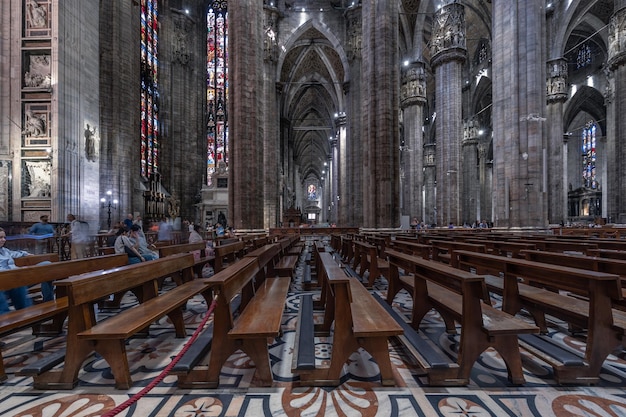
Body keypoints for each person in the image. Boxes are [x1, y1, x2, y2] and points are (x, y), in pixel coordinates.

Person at [0, 227, 53, 314]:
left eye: (4, 237)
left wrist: (25, 253)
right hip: (7, 282)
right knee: (17, 283)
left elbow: (15, 253)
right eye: (0, 238)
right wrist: (19, 270)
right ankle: (25, 313)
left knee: (46, 266)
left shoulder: (5, 251)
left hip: (19, 276)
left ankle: (48, 302)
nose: (3, 240)